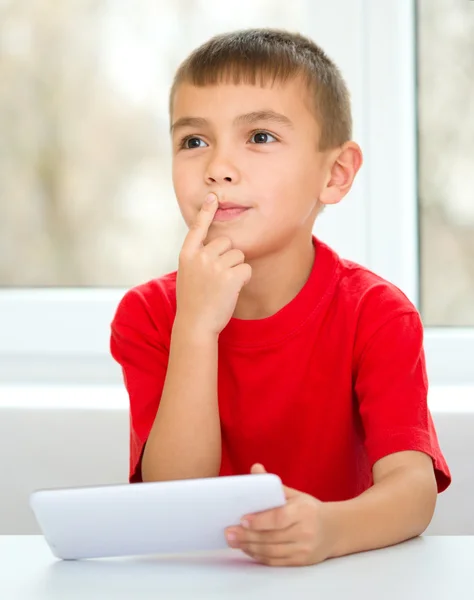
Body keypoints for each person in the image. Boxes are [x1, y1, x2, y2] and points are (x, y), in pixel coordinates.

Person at [110, 28, 451, 567]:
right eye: (193, 141)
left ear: (335, 174)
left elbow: (413, 491)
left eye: (260, 137)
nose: (217, 167)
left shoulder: (378, 314)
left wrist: (330, 529)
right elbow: (171, 497)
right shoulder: (148, 316)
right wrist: (196, 329)